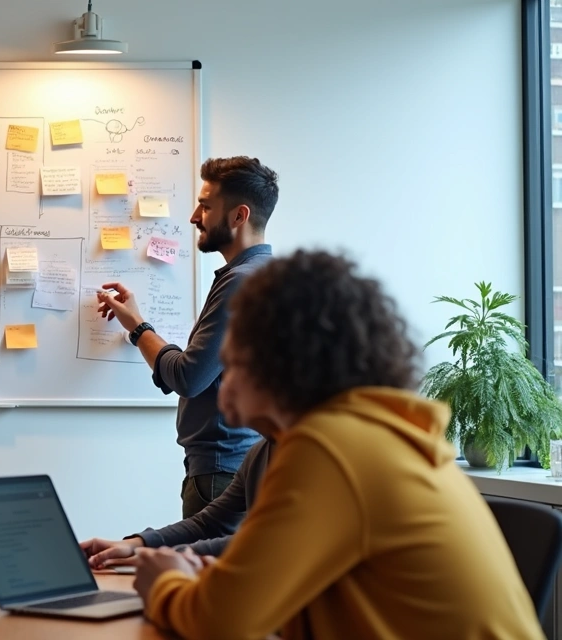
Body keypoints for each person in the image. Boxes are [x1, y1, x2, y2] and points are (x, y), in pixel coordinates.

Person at [131, 250, 543, 640]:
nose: (222, 375)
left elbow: (220, 623)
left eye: (233, 357)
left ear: (280, 360)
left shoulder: (332, 449)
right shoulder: (363, 438)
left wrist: (165, 581)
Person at [98, 156, 277, 518]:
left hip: (221, 471)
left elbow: (189, 376)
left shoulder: (241, 282)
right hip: (236, 463)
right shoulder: (267, 273)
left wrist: (138, 328)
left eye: (206, 206)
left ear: (239, 216)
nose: (195, 217)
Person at [79, 436, 271, 567]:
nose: (221, 393)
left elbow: (261, 542)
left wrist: (165, 556)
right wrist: (137, 544)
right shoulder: (259, 452)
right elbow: (209, 523)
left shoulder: (289, 460)